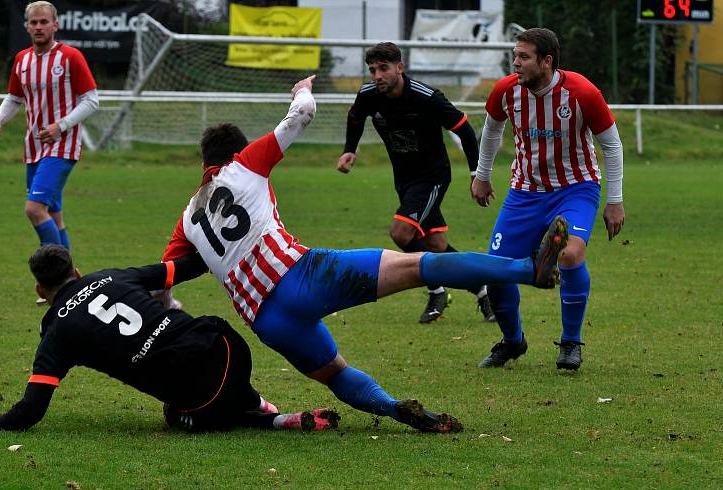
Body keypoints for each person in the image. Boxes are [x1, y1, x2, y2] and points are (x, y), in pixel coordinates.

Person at [160, 75, 568, 433]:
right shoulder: (246, 164)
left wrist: (171, 303)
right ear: (236, 153)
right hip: (302, 275)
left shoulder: (187, 219)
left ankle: (393, 408)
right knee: (422, 265)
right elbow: (302, 113)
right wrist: (303, 90)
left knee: (336, 374)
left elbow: (164, 277)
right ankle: (528, 268)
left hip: (267, 321)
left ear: (203, 163)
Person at [0, 245, 340, 434]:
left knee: (179, 415)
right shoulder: (112, 276)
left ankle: (265, 415)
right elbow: (184, 267)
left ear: (41, 288)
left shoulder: (56, 332)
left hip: (196, 395)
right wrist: (208, 233)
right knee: (212, 382)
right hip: (226, 346)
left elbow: (32, 409)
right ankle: (269, 411)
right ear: (76, 270)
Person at [471, 28, 625, 371]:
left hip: (576, 188)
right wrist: (482, 176)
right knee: (495, 271)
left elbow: (612, 146)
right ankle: (513, 342)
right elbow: (492, 131)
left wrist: (614, 201)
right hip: (524, 192)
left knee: (570, 254)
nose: (516, 63)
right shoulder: (506, 91)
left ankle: (570, 342)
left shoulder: (582, 92)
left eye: (524, 57)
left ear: (547, 61)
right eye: (515, 56)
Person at [337, 42, 493, 325]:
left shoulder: (426, 97)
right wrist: (350, 149)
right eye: (373, 70)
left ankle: (436, 289)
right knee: (436, 244)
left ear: (400, 67)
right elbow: (355, 117)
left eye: (383, 69)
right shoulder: (369, 95)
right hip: (404, 179)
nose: (377, 76)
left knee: (401, 233)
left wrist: (476, 174)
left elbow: (465, 129)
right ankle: (483, 288)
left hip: (432, 176)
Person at [0, 1, 98, 279]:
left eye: (43, 22)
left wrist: (62, 126)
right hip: (34, 148)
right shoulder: (22, 60)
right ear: (27, 26)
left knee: (34, 209)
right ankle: (71, 278)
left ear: (55, 25)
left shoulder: (70, 57)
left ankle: (56, 276)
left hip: (63, 145)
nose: (38, 26)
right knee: (53, 213)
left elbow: (91, 101)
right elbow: (14, 98)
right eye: (33, 22)